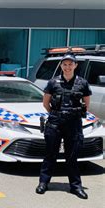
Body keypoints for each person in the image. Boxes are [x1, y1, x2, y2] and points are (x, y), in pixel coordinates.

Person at [35, 53, 91, 199]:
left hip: (73, 124)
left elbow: (87, 103)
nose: (67, 67)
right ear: (61, 66)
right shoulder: (53, 82)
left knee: (72, 156)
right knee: (50, 154)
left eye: (70, 64)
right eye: (65, 64)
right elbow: (46, 103)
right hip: (55, 123)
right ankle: (43, 183)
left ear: (75, 65)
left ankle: (76, 186)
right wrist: (57, 114)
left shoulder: (83, 83)